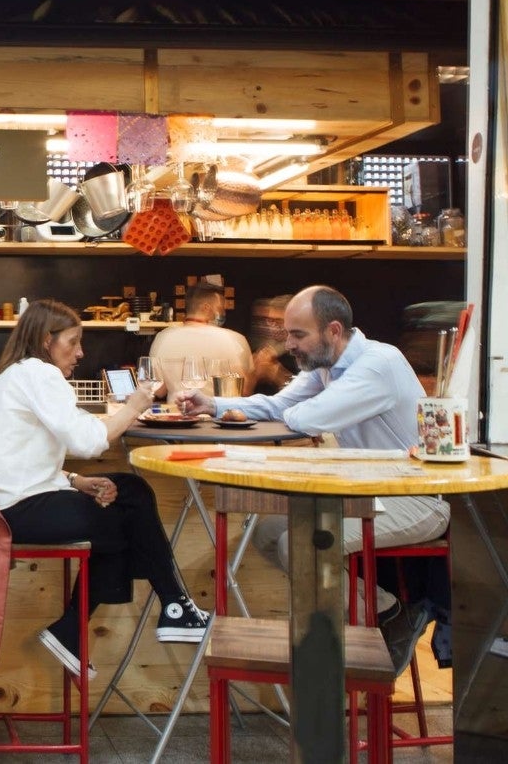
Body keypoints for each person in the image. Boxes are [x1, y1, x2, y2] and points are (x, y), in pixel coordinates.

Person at [173, 284, 448, 672]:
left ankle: (354, 644)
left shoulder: (378, 364)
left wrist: (281, 411)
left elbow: (308, 417)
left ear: (333, 331)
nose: (289, 344)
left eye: (298, 335)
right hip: (366, 492)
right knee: (267, 532)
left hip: (416, 497)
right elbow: (280, 405)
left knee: (302, 543)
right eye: (288, 334)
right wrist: (215, 403)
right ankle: (387, 610)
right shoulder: (328, 365)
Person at [0, 299, 210, 678]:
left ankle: (82, 628)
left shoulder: (7, 377)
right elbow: (87, 442)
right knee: (128, 512)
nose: (80, 352)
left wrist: (75, 481)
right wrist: (133, 406)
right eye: (73, 341)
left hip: (4, 507)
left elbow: (11, 457)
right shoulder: (40, 375)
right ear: (48, 340)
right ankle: (172, 605)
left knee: (126, 492)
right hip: (19, 513)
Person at [147, 282, 255, 397]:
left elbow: (159, 391)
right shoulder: (234, 340)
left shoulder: (163, 338)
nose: (223, 313)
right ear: (206, 308)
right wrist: (258, 373)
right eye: (221, 309)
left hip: (177, 412)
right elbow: (244, 391)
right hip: (219, 413)